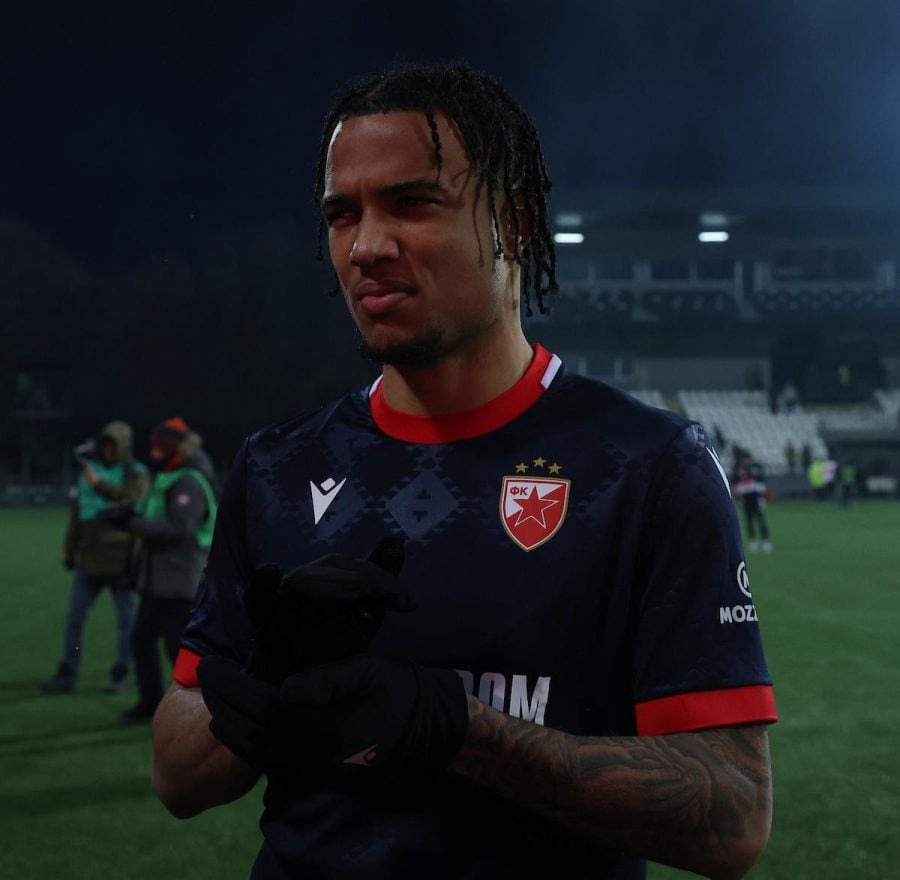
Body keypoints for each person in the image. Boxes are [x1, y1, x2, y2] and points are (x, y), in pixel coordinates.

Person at [152, 63, 777, 879]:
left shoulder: (648, 467)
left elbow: (733, 816)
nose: (366, 247)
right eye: (343, 215)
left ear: (513, 222)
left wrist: (463, 731)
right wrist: (259, 685)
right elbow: (177, 777)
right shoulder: (278, 465)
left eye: (412, 203)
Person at [114, 418, 218, 723]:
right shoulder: (172, 476)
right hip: (161, 580)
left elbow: (178, 528)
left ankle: (199, 711)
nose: (154, 453)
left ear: (175, 448)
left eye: (160, 447)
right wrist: (132, 516)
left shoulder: (188, 481)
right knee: (142, 642)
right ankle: (151, 703)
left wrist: (132, 524)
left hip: (180, 580)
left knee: (178, 650)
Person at [42, 420, 149, 694]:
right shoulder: (89, 472)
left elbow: (131, 499)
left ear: (123, 446)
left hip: (122, 562)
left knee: (126, 623)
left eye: (113, 445)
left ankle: (121, 672)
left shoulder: (135, 473)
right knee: (75, 618)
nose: (107, 449)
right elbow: (78, 515)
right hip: (89, 560)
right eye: (105, 444)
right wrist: (69, 547)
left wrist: (99, 484)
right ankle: (68, 670)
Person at [732, 453, 773, 553]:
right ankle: (752, 541)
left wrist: (762, 495)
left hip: (756, 498)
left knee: (760, 519)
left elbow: (762, 483)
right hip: (746, 499)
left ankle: (766, 540)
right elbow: (735, 484)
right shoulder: (739, 470)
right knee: (749, 520)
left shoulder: (756, 468)